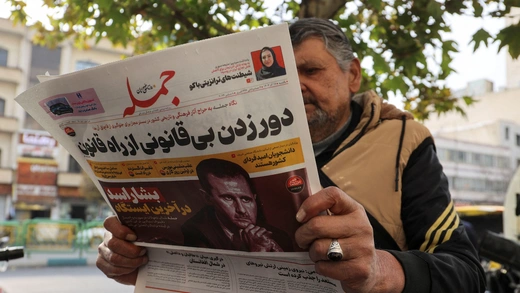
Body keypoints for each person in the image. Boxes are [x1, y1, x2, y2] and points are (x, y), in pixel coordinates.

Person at [96, 18, 486, 292]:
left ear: (353, 75)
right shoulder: (233, 145)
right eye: (278, 76)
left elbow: (467, 273)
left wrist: (381, 270)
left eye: (311, 70)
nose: (294, 86)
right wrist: (134, 260)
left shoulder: (404, 141)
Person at [181, 158, 292, 252]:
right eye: (228, 198)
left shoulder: (279, 237)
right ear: (207, 198)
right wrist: (257, 254)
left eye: (246, 199)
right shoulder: (196, 233)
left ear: (254, 198)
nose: (242, 210)